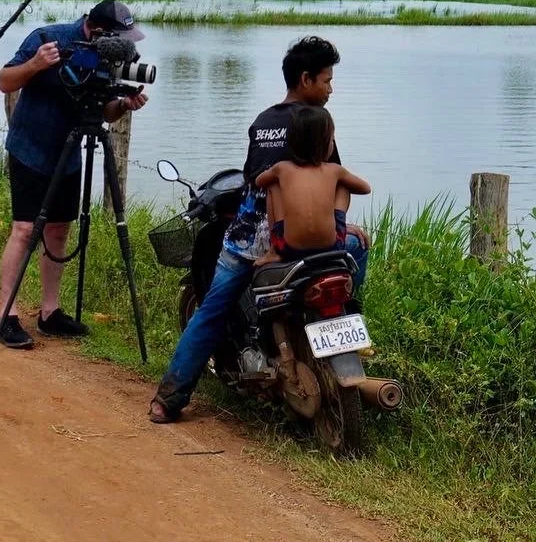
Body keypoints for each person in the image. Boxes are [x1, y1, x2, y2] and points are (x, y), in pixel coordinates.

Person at [149, 35, 371, 424]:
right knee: (357, 248)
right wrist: (340, 225)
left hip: (253, 239)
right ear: (305, 79)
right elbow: (331, 183)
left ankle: (169, 399)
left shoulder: (264, 122)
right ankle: (343, 317)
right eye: (326, 80)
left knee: (212, 310)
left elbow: (258, 182)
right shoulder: (321, 125)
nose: (330, 88)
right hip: (317, 240)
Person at [0, 0, 148, 349]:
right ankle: (7, 315)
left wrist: (124, 104)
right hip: (31, 149)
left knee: (60, 230)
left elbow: (105, 111)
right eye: (122, 36)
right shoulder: (48, 37)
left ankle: (50, 312)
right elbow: (5, 80)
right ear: (96, 30)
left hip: (69, 154)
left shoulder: (112, 58)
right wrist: (35, 64)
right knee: (23, 230)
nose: (128, 44)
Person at [254, 105, 371, 264]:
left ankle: (274, 250)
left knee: (273, 186)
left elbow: (259, 181)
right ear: (325, 143)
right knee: (344, 186)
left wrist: (280, 176)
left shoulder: (282, 168)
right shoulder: (335, 170)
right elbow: (365, 188)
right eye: (332, 139)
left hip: (289, 249)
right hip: (331, 247)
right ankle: (338, 225)